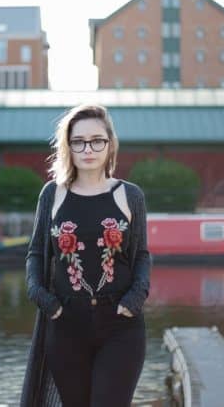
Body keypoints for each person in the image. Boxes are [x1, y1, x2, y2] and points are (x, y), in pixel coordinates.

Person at [21, 104, 151, 406]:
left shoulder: (130, 195)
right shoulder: (52, 194)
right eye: (78, 141)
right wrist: (41, 296)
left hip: (121, 325)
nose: (88, 149)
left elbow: (142, 255)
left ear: (110, 144)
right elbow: (36, 253)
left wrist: (136, 298)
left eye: (96, 140)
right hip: (65, 323)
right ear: (68, 146)